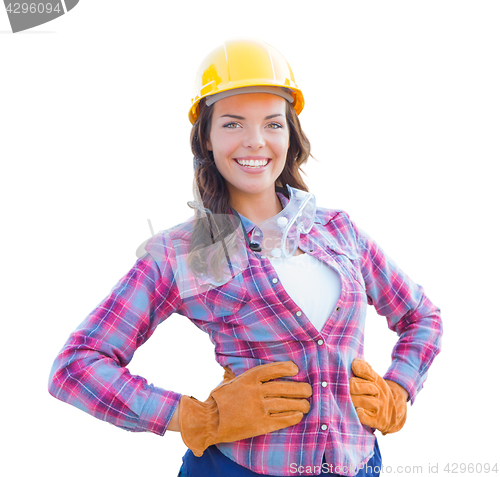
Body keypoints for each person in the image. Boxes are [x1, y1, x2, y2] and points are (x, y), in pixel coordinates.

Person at [48, 38, 443, 477]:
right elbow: (76, 366)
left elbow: (422, 316)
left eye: (273, 124)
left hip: (358, 465)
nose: (255, 142)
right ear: (207, 137)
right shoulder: (183, 253)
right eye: (233, 124)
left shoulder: (339, 231)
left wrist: (398, 391)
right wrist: (196, 417)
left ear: (290, 135)